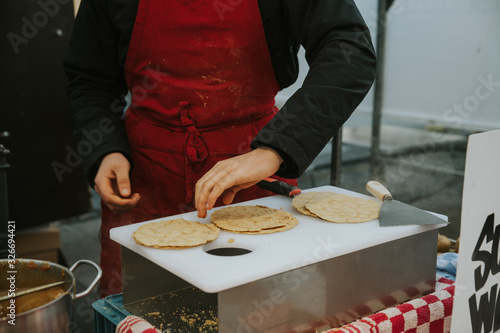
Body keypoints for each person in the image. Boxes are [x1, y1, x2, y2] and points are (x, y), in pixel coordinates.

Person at [63, 0, 376, 298]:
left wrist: (274, 150)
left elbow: (349, 48)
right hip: (147, 176)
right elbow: (91, 78)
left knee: (263, 308)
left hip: (254, 173)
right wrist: (105, 149)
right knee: (141, 308)